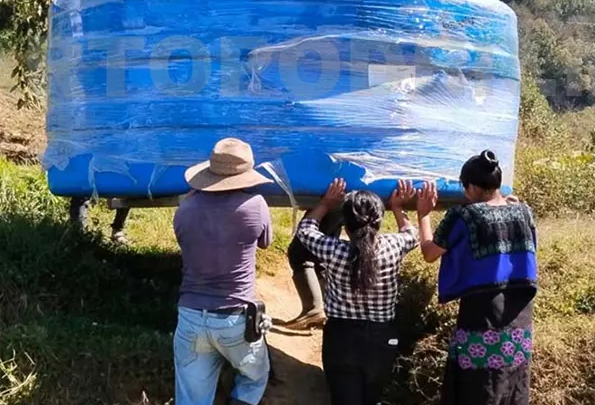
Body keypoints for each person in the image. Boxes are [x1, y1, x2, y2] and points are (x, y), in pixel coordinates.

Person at [416, 151, 538, 405]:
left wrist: (423, 215)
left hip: (483, 316)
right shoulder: (524, 211)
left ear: (471, 187)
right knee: (512, 384)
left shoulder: (463, 216)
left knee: (478, 387)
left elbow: (429, 253)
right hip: (520, 318)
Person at [296, 178, 418, 405]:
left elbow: (305, 231)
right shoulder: (393, 247)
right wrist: (398, 207)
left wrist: (325, 203)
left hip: (341, 337)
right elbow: (412, 235)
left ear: (345, 224)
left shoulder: (333, 250)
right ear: (379, 221)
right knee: (372, 399)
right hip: (381, 339)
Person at [172, 138, 274, 405]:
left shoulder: (184, 210)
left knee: (191, 398)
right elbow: (265, 242)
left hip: (191, 316)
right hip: (235, 320)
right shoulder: (256, 205)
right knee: (254, 378)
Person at [281, 205, 343, 330]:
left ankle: (313, 309)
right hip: (342, 205)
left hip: (331, 203)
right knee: (320, 258)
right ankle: (327, 310)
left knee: (299, 254)